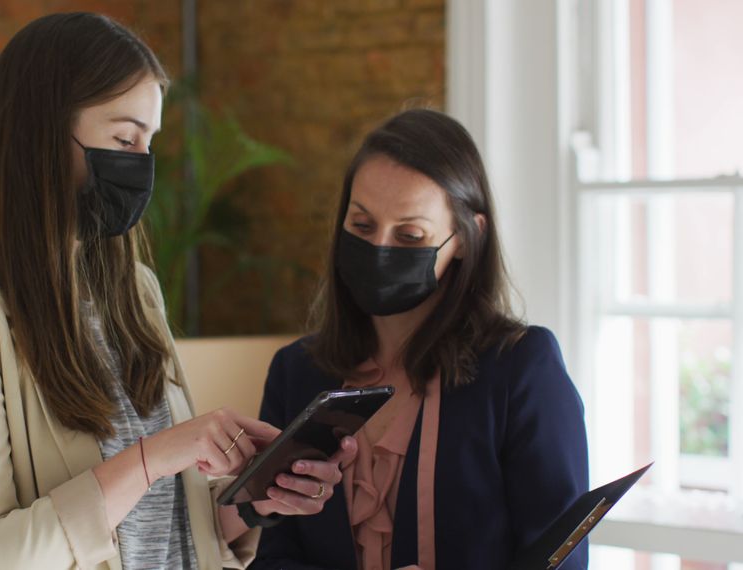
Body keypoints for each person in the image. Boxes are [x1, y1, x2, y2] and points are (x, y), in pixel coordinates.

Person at [0, 12, 356, 570]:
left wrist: (254, 500)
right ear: (41, 133)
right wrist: (154, 457)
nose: (142, 165)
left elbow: (166, 522)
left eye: (149, 141)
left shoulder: (136, 292)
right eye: (123, 138)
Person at [250, 109, 589, 570]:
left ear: (468, 238)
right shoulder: (296, 371)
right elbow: (274, 558)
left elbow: (561, 559)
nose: (380, 248)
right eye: (362, 226)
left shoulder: (521, 368)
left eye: (410, 236)